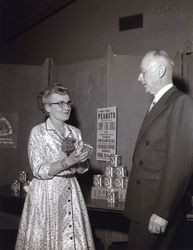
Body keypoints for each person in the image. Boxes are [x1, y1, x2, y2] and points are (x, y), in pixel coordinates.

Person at [124, 50, 193, 250]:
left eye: (143, 72)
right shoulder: (160, 102)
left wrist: (162, 212)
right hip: (144, 206)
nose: (139, 78)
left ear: (160, 70)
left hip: (156, 208)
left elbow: (179, 164)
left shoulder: (180, 102)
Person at [15, 83, 95, 250]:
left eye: (68, 102)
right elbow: (38, 170)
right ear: (47, 107)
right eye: (60, 103)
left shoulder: (75, 132)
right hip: (46, 193)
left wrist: (81, 162)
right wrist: (68, 161)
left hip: (70, 189)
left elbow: (80, 169)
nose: (66, 107)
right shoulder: (38, 132)